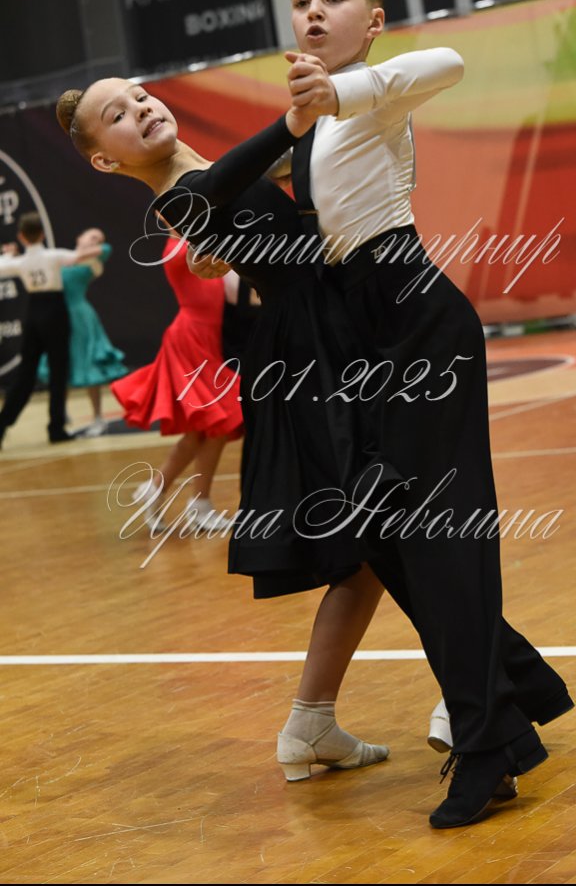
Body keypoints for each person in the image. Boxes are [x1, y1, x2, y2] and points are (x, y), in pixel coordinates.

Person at [279, 0, 574, 827]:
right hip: (363, 339)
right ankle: (512, 701)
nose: (313, 11)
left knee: (443, 542)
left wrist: (341, 91)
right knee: (387, 540)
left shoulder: (376, 91)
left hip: (417, 321)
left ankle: (485, 746)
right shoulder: (308, 123)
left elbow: (447, 60)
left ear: (372, 21)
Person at [55, 78, 393, 780]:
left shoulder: (201, 180)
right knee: (385, 534)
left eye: (139, 96)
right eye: (117, 115)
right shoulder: (180, 197)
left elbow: (255, 191)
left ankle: (314, 720)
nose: (140, 109)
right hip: (311, 358)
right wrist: (293, 121)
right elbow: (227, 181)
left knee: (372, 551)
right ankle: (474, 693)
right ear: (105, 160)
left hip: (327, 341)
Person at [110, 235, 243, 530]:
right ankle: (196, 503)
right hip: (191, 339)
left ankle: (160, 490)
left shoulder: (195, 241)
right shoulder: (178, 247)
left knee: (205, 430)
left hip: (207, 339)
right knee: (222, 419)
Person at [0, 212, 101, 448]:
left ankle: (2, 425)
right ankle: (56, 428)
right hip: (55, 312)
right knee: (58, 372)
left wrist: (8, 254)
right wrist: (92, 247)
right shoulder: (53, 256)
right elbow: (80, 256)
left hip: (33, 313)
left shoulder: (21, 262)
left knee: (26, 374)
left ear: (21, 236)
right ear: (43, 234)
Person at [38, 227, 128, 436]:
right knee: (61, 365)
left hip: (81, 318)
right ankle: (61, 414)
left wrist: (68, 257)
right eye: (92, 236)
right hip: (59, 316)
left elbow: (105, 249)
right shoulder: (62, 257)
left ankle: (98, 417)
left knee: (89, 364)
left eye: (99, 238)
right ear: (80, 237)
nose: (96, 240)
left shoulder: (95, 258)